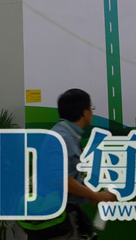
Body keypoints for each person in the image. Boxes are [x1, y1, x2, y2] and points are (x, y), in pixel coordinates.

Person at [50, 89, 116, 240]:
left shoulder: (67, 134)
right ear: (85, 113)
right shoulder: (64, 138)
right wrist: (96, 195)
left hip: (64, 214)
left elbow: (70, 175)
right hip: (57, 220)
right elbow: (63, 180)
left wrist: (87, 192)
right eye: (91, 108)